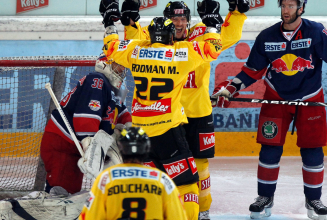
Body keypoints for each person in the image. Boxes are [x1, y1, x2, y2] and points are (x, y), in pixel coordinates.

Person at [101, 0, 249, 219]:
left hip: (195, 112)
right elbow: (138, 37)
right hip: (171, 120)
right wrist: (130, 23)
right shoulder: (192, 46)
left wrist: (236, 14)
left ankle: (203, 208)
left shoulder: (193, 35)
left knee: (199, 165)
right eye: (175, 19)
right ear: (168, 22)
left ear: (188, 21)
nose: (179, 24)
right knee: (177, 172)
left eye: (183, 19)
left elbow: (230, 37)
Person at [211, 0, 327, 219]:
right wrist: (230, 89)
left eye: (291, 6)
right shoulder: (266, 36)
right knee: (269, 150)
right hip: (276, 99)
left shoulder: (317, 31)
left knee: (312, 151)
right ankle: (265, 197)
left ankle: (313, 199)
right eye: (284, 5)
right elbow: (251, 71)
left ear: (301, 8)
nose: (286, 10)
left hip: (310, 99)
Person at [41, 57, 132, 195]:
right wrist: (91, 146)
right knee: (60, 195)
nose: (122, 70)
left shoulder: (113, 91)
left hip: (73, 146)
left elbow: (122, 115)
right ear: (105, 64)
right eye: (118, 64)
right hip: (62, 143)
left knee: (69, 194)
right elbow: (85, 119)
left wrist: (131, 129)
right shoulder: (97, 81)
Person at [79, 127, 188, 220]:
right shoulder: (163, 181)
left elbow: (88, 217)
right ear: (146, 150)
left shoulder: (105, 179)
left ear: (121, 149)